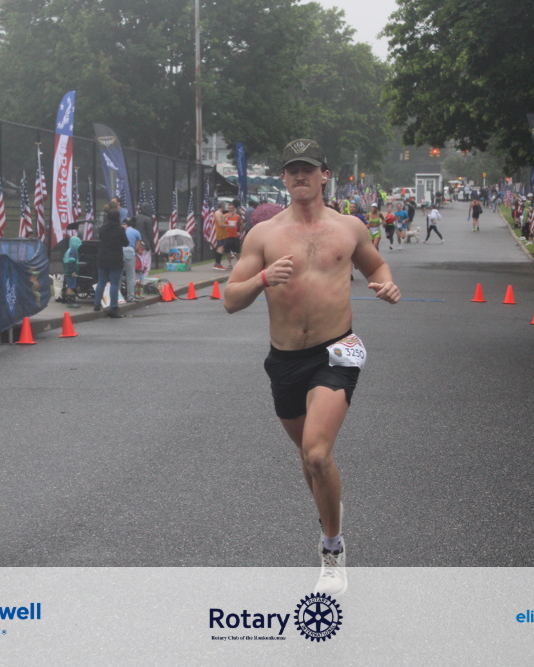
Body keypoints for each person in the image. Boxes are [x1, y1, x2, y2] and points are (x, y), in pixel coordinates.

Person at [223, 139, 400, 596]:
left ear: (325, 174)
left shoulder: (350, 228)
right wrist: (263, 278)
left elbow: (377, 266)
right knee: (308, 457)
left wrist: (386, 285)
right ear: (284, 178)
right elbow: (230, 299)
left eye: (308, 168)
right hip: (284, 359)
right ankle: (330, 512)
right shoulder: (263, 235)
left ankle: (332, 550)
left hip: (336, 351)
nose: (300, 176)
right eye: (292, 169)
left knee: (318, 453)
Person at [94, 206, 129, 317]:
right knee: (114, 283)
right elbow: (126, 243)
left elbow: (100, 239)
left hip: (102, 257)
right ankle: (113, 306)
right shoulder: (120, 229)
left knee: (101, 282)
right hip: (115, 258)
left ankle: (97, 303)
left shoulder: (102, 228)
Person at [123, 218, 142, 302]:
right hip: (130, 252)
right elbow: (137, 246)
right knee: (130, 277)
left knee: (119, 276)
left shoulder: (122, 230)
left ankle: (118, 297)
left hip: (120, 252)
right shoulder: (137, 232)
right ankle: (130, 297)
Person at [61, 229, 82, 308]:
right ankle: (71, 302)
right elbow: (71, 261)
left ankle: (70, 301)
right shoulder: (73, 251)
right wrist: (73, 271)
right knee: (71, 287)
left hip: (67, 272)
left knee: (70, 286)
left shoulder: (69, 250)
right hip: (70, 272)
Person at [212, 201, 229, 270]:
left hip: (223, 233)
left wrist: (226, 218)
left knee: (221, 247)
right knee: (220, 247)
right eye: (224, 205)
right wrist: (230, 226)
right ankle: (217, 264)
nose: (225, 207)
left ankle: (217, 263)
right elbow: (220, 225)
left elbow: (222, 221)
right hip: (220, 233)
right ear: (222, 206)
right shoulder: (218, 213)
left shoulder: (220, 213)